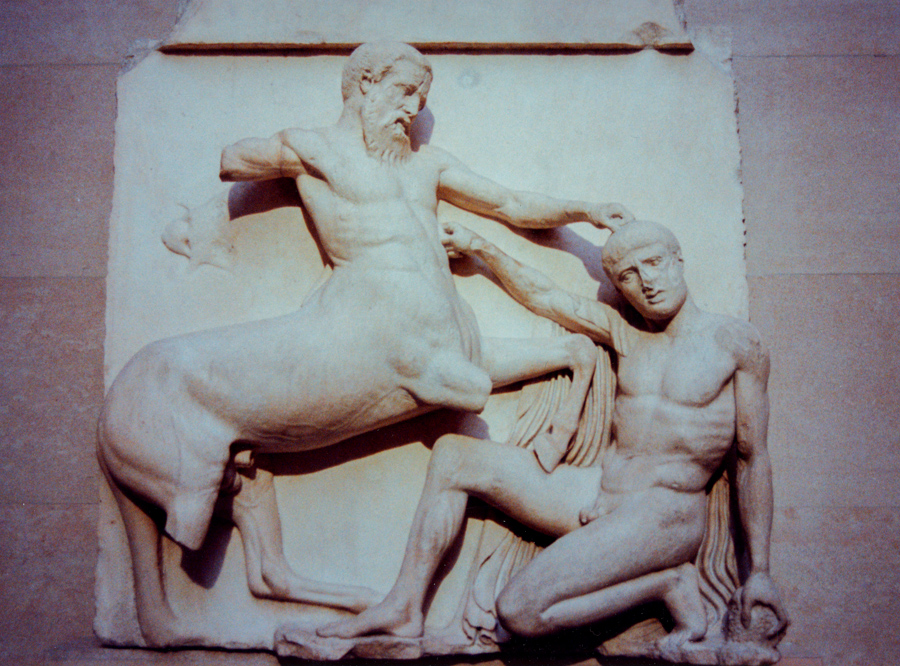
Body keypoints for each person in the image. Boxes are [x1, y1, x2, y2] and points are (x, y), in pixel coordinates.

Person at [98, 41, 631, 646]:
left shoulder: (427, 167)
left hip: (427, 330)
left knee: (535, 357)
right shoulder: (317, 151)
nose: (411, 110)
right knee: (465, 380)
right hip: (369, 316)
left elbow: (508, 203)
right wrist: (293, 153)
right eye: (404, 92)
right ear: (366, 84)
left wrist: (584, 208)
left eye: (420, 101)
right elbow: (232, 159)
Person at [318, 220, 789, 656]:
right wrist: (481, 247)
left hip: (663, 513)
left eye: (654, 263)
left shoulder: (734, 342)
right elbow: (546, 295)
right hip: (596, 492)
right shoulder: (627, 335)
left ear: (678, 260)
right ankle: (403, 608)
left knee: (519, 612)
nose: (646, 282)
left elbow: (752, 459)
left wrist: (761, 571)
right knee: (454, 455)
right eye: (628, 275)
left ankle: (666, 584)